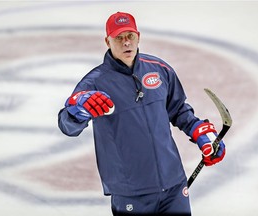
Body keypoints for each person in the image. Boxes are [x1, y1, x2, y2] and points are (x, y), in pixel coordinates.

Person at [58, 12, 226, 216]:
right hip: (130, 192)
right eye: (119, 37)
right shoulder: (94, 83)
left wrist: (199, 131)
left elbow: (179, 109)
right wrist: (77, 111)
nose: (126, 42)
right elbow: (67, 126)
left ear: (138, 37)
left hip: (173, 184)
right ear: (107, 41)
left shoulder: (160, 69)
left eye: (130, 36)